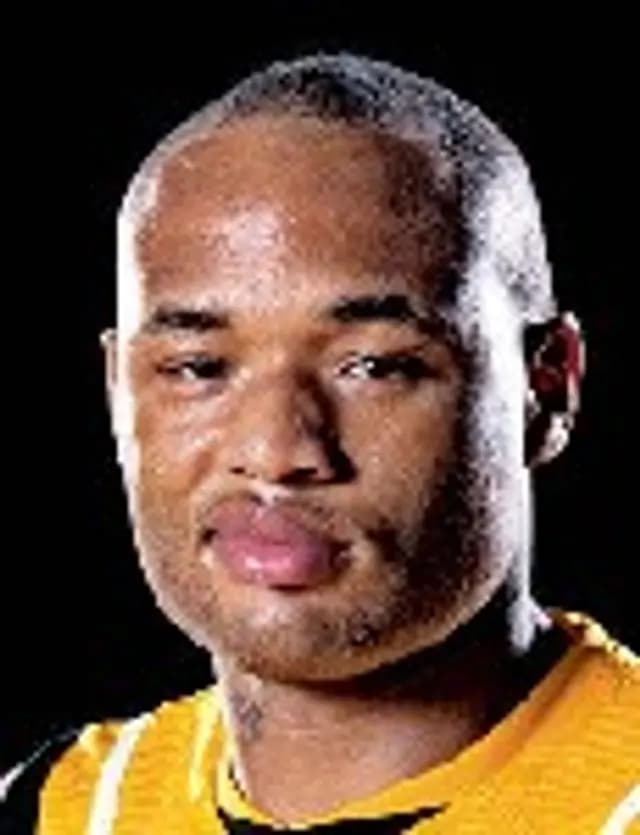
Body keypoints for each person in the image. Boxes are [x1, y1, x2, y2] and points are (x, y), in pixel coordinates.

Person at [3, 53, 638, 834]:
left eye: (372, 365)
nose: (276, 450)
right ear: (118, 393)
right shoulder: (53, 808)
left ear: (547, 387)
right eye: (198, 367)